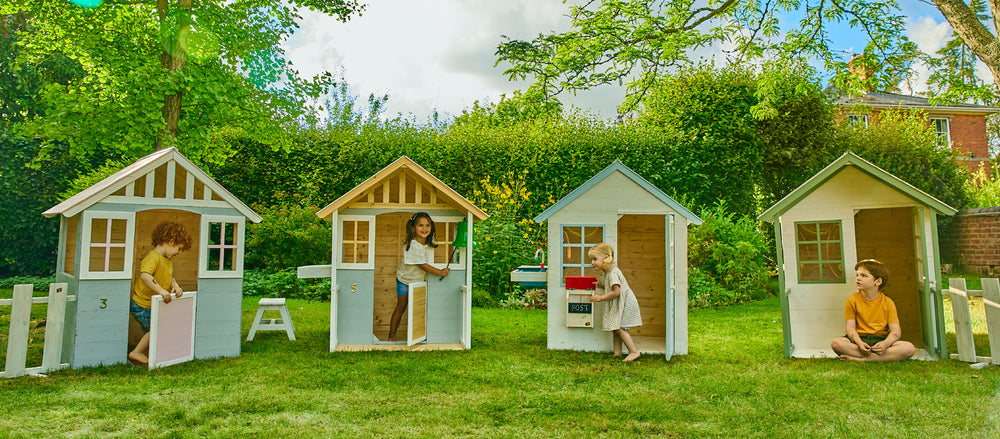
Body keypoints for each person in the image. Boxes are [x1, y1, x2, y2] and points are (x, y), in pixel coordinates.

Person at [127, 222, 192, 365]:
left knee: (158, 329)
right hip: (142, 304)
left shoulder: (167, 260)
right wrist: (161, 291)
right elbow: (146, 275)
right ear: (171, 241)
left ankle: (153, 354)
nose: (178, 253)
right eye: (179, 248)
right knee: (157, 328)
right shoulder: (153, 256)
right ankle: (137, 352)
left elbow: (168, 277)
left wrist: (175, 285)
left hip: (152, 304)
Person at [831, 259, 916, 362]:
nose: (858, 278)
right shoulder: (851, 300)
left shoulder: (888, 303)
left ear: (878, 281)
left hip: (881, 340)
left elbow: (896, 331)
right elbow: (850, 328)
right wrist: (859, 343)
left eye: (864, 276)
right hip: (860, 340)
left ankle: (865, 359)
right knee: (836, 343)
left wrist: (885, 345)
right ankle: (877, 358)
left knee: (909, 348)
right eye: (857, 275)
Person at [388, 212, 450, 342]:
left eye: (427, 225)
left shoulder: (425, 245)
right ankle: (391, 335)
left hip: (418, 282)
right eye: (420, 225)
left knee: (419, 309)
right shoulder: (412, 245)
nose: (424, 228)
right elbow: (422, 265)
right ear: (413, 228)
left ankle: (418, 336)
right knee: (401, 307)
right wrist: (440, 272)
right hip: (404, 280)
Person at [588, 242, 643, 362]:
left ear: (606, 257)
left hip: (625, 303)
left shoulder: (612, 273)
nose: (592, 262)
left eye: (595, 259)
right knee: (615, 327)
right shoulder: (609, 272)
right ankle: (617, 353)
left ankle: (634, 351)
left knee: (619, 328)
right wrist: (602, 285)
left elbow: (616, 292)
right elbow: (613, 288)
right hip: (621, 302)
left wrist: (600, 298)